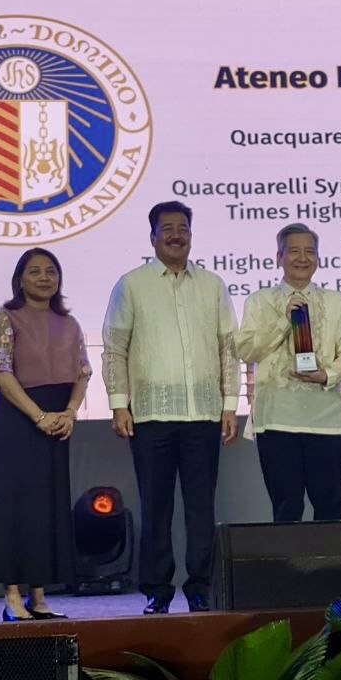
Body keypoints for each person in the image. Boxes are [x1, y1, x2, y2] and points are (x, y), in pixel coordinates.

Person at [101, 201, 240, 615]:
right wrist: (118, 404)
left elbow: (228, 349)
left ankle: (199, 587)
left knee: (201, 509)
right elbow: (114, 348)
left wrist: (230, 404)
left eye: (183, 228)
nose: (176, 234)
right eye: (167, 228)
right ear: (153, 237)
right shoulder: (131, 284)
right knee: (155, 507)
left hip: (203, 414)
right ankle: (157, 592)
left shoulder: (213, 285)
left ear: (191, 235)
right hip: (149, 417)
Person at [0, 247, 91, 621]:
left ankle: (39, 597)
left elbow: (82, 372)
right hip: (20, 420)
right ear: (20, 279)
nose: (44, 278)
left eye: (51, 271)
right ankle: (12, 596)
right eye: (34, 271)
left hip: (57, 421)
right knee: (15, 505)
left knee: (48, 505)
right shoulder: (2, 319)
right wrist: (38, 415)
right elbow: (1, 374)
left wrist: (69, 413)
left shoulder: (69, 324)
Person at [237, 223, 341, 522]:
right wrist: (284, 320)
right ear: (279, 256)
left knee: (329, 506)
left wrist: (326, 374)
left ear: (318, 258)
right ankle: (289, 569)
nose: (302, 258)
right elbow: (247, 351)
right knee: (286, 508)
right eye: (294, 251)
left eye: (310, 251)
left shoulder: (337, 302)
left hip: (326, 419)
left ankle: (328, 569)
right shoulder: (260, 301)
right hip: (277, 418)